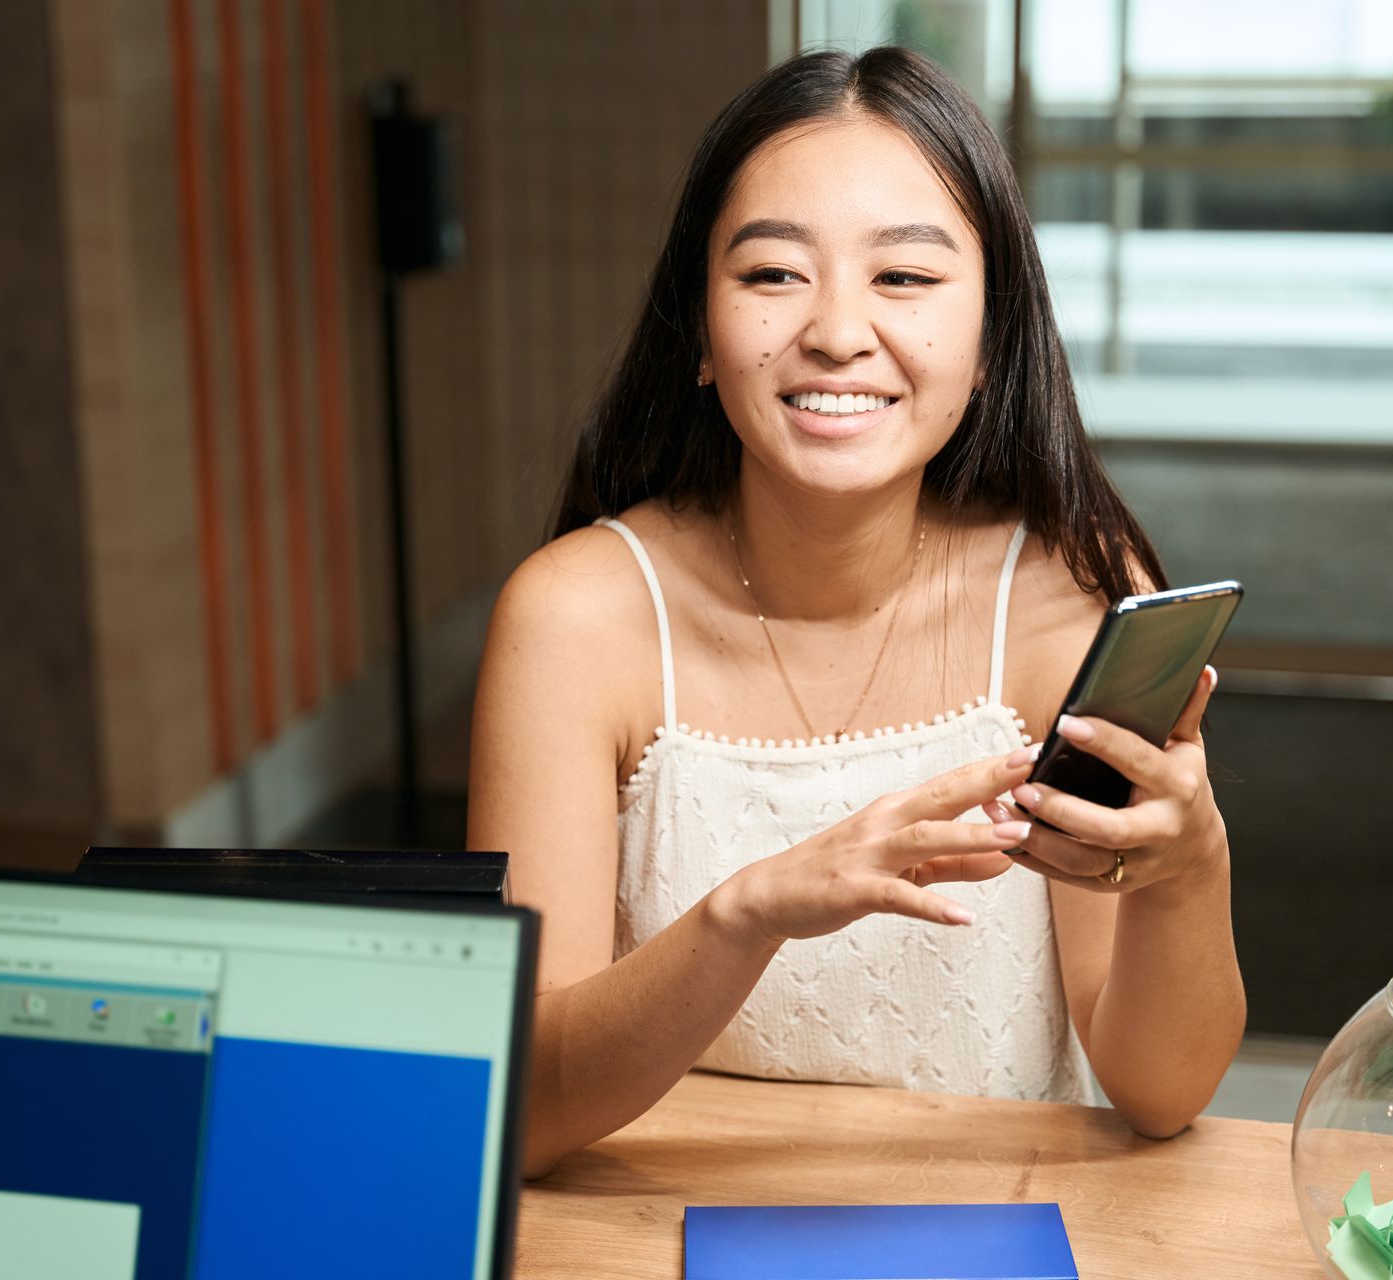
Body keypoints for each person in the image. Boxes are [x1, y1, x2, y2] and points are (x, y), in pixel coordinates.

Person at [467, 46, 1244, 1178]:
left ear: (990, 342)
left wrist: (1191, 865)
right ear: (699, 326)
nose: (836, 331)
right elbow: (518, 1107)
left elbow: (1163, 1094)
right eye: (774, 274)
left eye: (907, 279)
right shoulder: (576, 618)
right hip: (655, 1229)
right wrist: (750, 913)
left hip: (996, 1228)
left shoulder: (1066, 595)